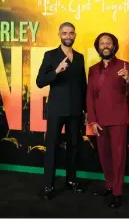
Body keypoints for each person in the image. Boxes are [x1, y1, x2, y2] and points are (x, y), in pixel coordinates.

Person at [86, 32, 129, 208]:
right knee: (104, 156)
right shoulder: (93, 69)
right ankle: (109, 185)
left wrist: (128, 79)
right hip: (99, 121)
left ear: (114, 46)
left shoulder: (125, 65)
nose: (106, 45)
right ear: (98, 47)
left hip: (117, 119)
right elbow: (90, 97)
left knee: (118, 158)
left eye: (109, 42)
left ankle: (117, 192)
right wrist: (92, 121)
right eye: (102, 43)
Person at [36, 22, 87, 200]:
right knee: (52, 147)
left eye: (71, 33)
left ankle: (71, 180)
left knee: (73, 147)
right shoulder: (50, 55)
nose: (68, 36)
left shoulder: (80, 57)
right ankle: (48, 185)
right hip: (57, 110)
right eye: (64, 33)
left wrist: (86, 110)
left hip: (75, 111)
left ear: (75, 35)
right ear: (59, 34)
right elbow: (40, 81)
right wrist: (56, 71)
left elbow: (83, 84)